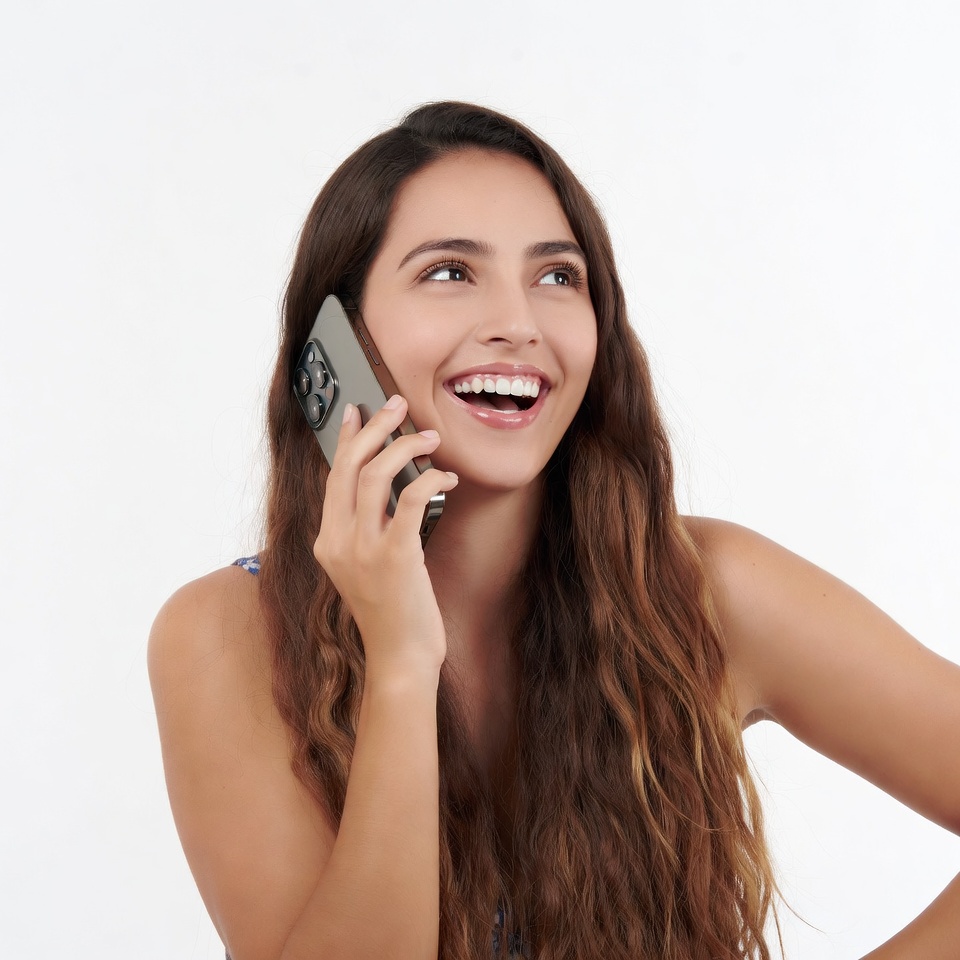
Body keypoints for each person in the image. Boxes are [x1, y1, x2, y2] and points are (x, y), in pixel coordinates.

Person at [148, 102, 960, 960]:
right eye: (450, 273)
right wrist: (399, 664)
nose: (520, 322)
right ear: (336, 343)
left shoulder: (708, 589)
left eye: (558, 276)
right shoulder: (224, 636)